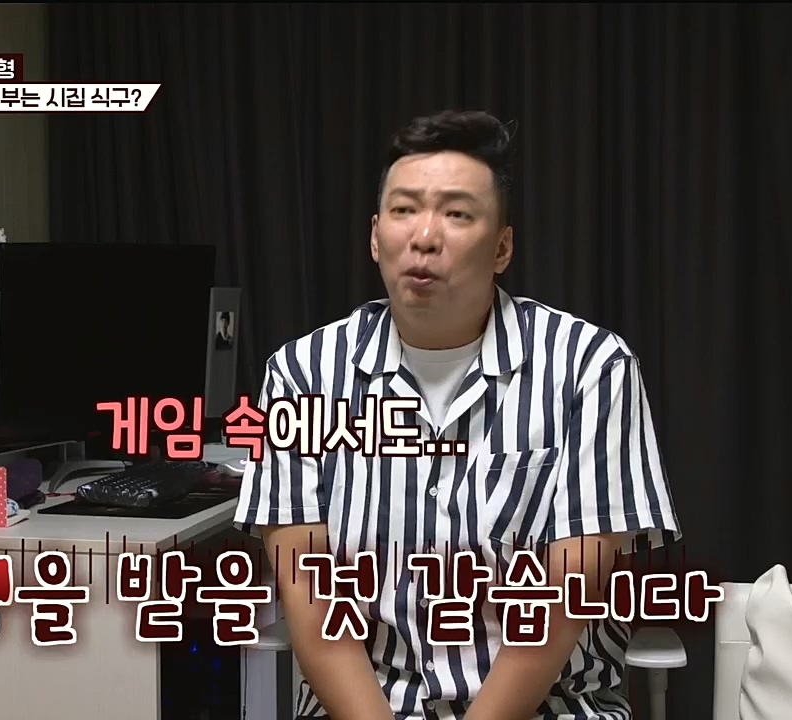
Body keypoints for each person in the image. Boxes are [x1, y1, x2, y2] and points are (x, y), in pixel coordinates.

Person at [234, 110, 681, 720]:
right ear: (375, 237)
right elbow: (311, 605)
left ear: (502, 248)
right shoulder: (301, 374)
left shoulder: (590, 367)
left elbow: (562, 603)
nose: (424, 236)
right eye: (404, 210)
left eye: (457, 214)